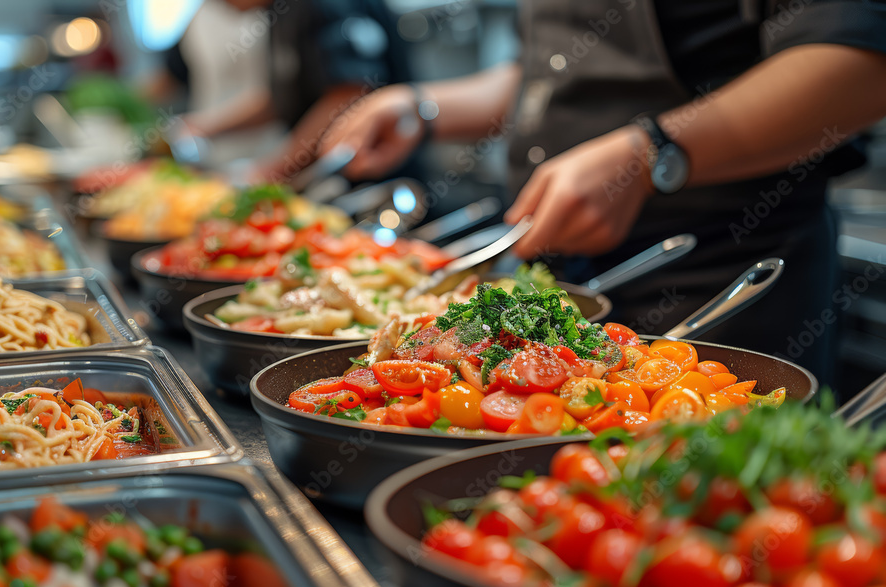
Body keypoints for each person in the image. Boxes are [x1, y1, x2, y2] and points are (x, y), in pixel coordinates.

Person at [322, 0, 886, 386]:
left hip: (720, 271)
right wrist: (423, 109)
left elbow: (859, 63)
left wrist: (651, 155)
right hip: (565, 286)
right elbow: (552, 75)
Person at [182, 0, 411, 182]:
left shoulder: (320, 5)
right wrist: (203, 127)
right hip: (330, 179)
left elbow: (350, 92)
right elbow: (283, 97)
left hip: (380, 175)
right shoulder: (278, 12)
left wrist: (271, 170)